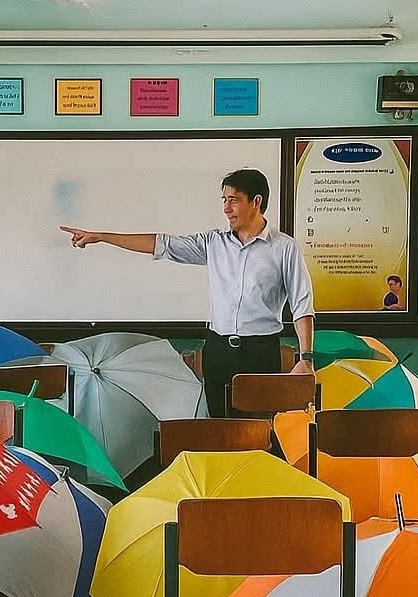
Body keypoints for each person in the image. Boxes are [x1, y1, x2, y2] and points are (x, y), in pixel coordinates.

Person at [61, 168, 315, 418]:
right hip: (218, 350)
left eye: (234, 200)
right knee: (217, 432)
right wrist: (102, 237)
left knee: (258, 430)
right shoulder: (214, 242)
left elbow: (302, 304)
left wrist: (306, 358)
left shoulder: (284, 248)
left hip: (260, 352)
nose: (226, 208)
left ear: (256, 201)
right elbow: (161, 244)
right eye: (224, 200)